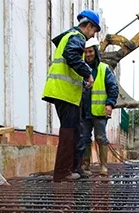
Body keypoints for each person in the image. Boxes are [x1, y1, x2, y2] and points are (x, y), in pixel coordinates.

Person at [42, 9, 101, 182]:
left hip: (66, 92)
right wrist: (87, 73)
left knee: (75, 130)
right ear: (89, 26)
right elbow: (71, 55)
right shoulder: (77, 37)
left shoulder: (71, 37)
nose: (93, 35)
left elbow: (70, 63)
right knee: (69, 130)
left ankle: (75, 168)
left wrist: (81, 80)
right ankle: (62, 172)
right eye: (94, 30)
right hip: (64, 92)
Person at [80, 37, 119, 177]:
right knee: (84, 138)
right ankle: (85, 165)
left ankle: (103, 165)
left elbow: (113, 88)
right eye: (85, 52)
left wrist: (109, 103)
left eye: (90, 51)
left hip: (99, 112)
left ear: (95, 52)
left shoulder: (104, 69)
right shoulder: (80, 68)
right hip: (84, 112)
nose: (88, 54)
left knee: (100, 137)